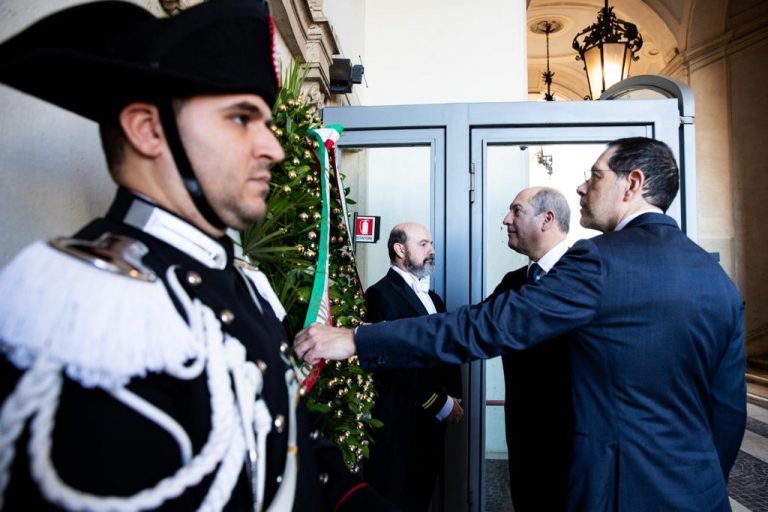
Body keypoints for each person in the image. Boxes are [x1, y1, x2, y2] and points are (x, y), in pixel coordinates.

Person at [0, 1, 390, 510]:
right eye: (240, 118)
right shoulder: (90, 304)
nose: (272, 148)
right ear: (148, 129)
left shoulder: (243, 282)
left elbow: (291, 435)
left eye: (266, 121)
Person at [295, 137, 747, 511]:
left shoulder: (597, 261)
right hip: (700, 493)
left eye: (595, 175)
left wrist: (356, 338)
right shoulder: (718, 282)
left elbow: (482, 327)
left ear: (632, 184)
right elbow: (727, 415)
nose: (582, 187)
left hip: (613, 494)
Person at [362, 223, 463, 511]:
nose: (432, 250)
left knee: (421, 497)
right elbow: (392, 361)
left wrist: (455, 397)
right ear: (399, 249)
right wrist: (440, 403)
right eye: (423, 244)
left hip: (431, 423)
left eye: (431, 244)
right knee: (396, 499)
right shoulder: (379, 294)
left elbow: (449, 350)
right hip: (398, 425)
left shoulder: (434, 299)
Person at [490, 187, 572, 511]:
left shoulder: (587, 276)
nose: (505, 219)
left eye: (516, 211)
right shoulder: (511, 284)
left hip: (576, 454)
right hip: (525, 448)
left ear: (546, 219)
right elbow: (467, 330)